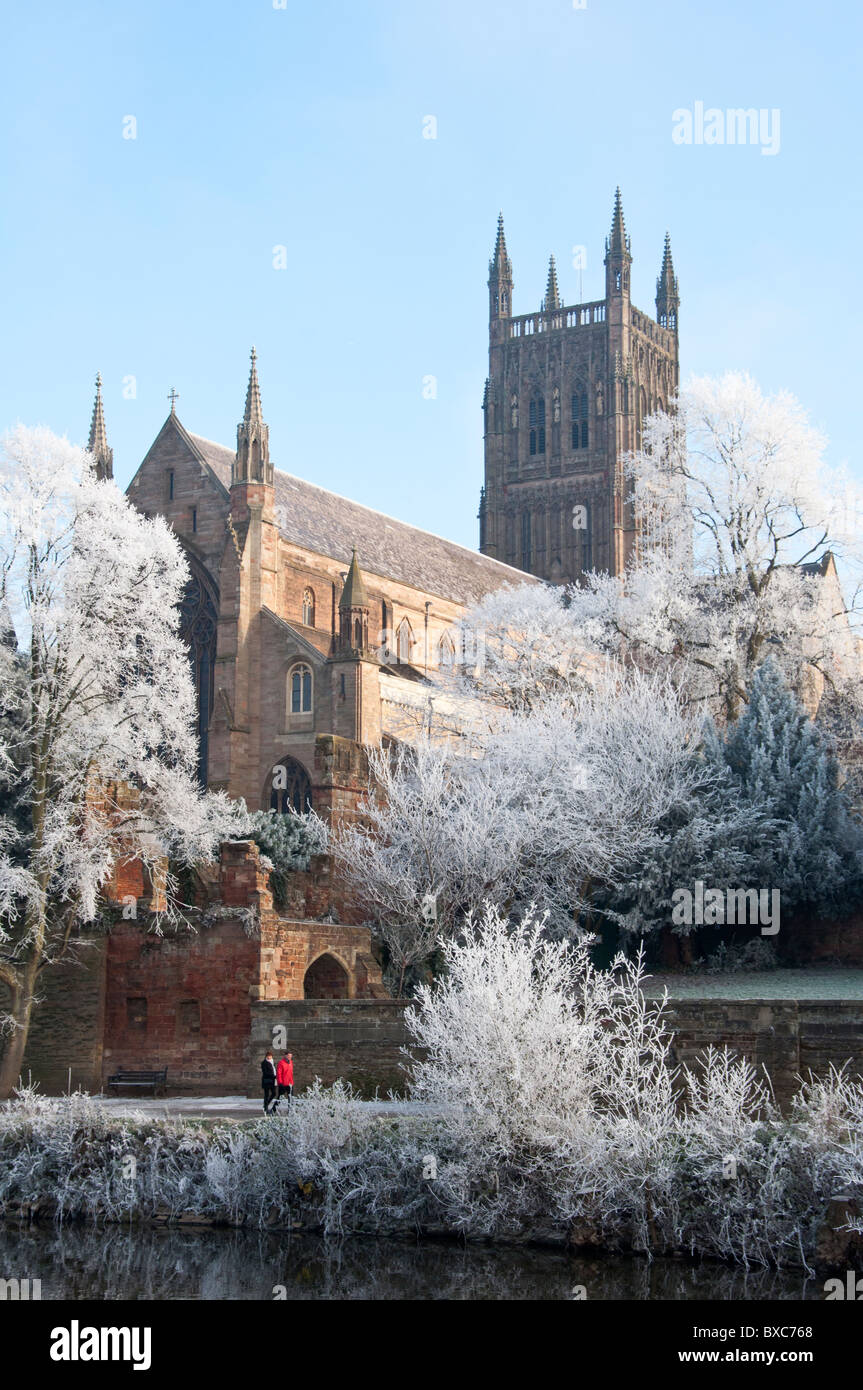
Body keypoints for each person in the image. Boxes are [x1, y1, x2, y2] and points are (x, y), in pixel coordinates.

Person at [261, 1050, 277, 1114]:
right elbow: (265, 1072)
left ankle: (266, 1105)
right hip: (267, 1081)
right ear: (266, 1056)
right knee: (266, 1095)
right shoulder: (264, 1063)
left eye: (270, 1056)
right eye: (268, 1056)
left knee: (274, 1093)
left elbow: (274, 1070)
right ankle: (266, 1109)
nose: (269, 1057)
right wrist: (273, 1076)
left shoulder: (272, 1062)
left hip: (273, 1081)